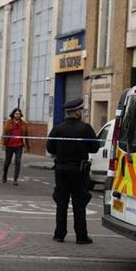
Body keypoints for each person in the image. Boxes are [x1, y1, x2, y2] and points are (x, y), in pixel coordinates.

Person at [47, 98, 100, 244]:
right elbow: (95, 148)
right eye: (81, 111)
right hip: (79, 171)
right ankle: (81, 236)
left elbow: (49, 148)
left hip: (62, 170)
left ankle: (59, 234)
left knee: (61, 202)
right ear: (77, 112)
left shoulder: (58, 128)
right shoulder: (85, 128)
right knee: (79, 203)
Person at [0, 108, 30, 185]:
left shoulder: (24, 124)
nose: (17, 115)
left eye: (19, 114)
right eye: (16, 114)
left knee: (18, 161)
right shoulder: (8, 122)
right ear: (13, 114)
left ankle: (15, 179)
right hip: (9, 145)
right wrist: (1, 144)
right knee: (7, 162)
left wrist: (28, 147)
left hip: (19, 145)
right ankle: (4, 175)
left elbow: (27, 136)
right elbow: (4, 134)